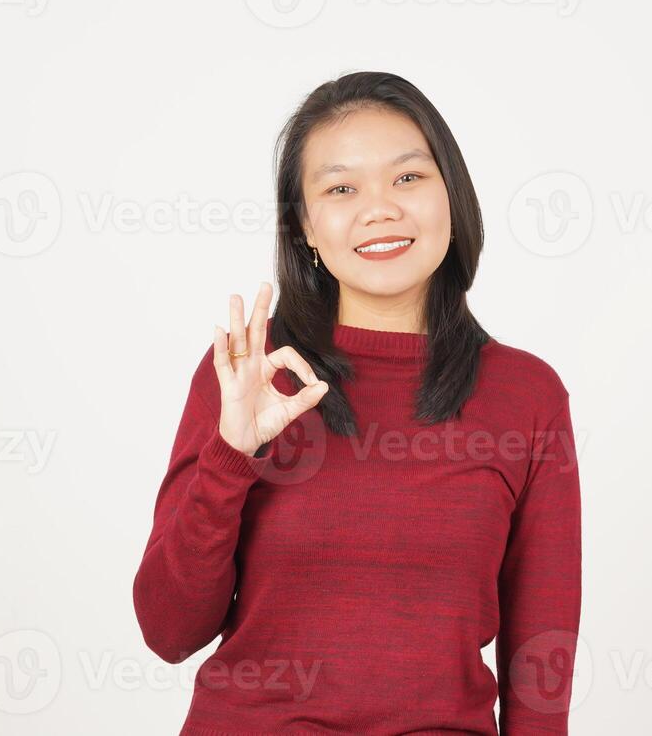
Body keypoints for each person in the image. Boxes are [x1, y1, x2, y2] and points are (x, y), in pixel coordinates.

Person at [132, 71, 583, 734]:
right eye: (341, 188)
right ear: (306, 228)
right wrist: (233, 457)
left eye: (408, 178)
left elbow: (541, 655)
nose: (380, 209)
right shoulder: (251, 374)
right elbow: (168, 630)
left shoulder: (526, 397)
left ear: (451, 197)